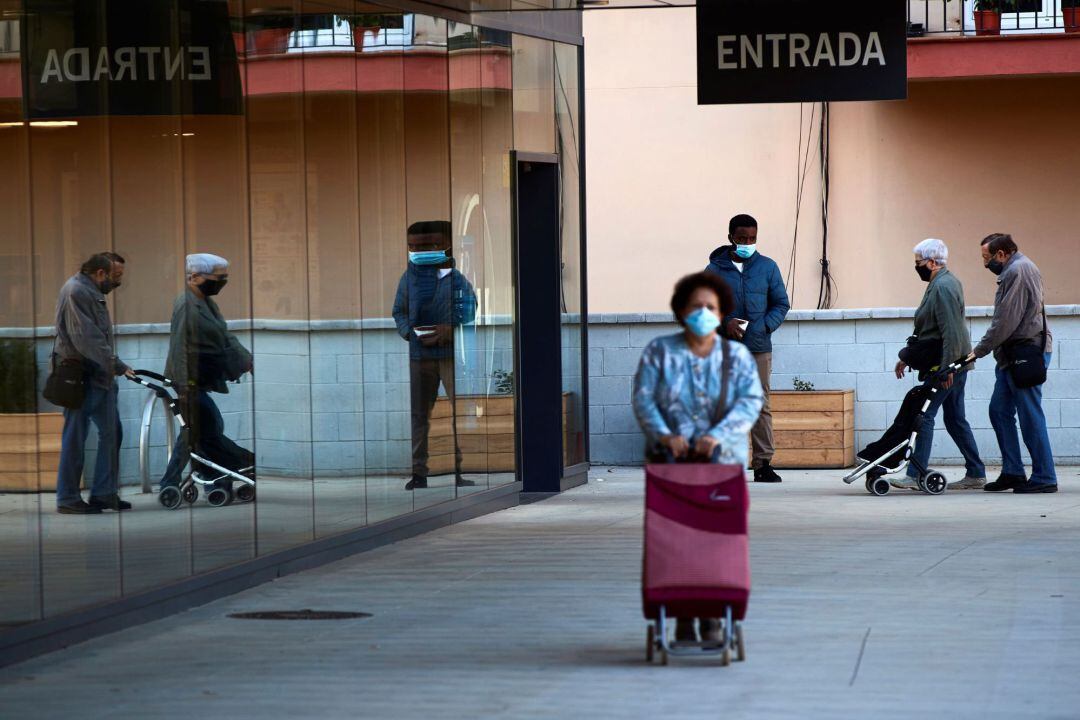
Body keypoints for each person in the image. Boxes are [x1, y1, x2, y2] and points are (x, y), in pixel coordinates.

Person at [633, 271, 764, 643]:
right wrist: (665, 435)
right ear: (680, 311)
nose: (703, 313)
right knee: (673, 541)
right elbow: (644, 398)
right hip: (671, 469)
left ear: (722, 314)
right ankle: (681, 614)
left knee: (718, 543)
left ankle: (713, 613)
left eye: (711, 307)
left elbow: (750, 401)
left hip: (722, 469)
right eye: (695, 307)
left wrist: (716, 436)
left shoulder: (736, 356)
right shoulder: (659, 352)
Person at [892, 239, 986, 490]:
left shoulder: (943, 286)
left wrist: (947, 368)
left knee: (924, 416)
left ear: (932, 262)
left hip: (947, 365)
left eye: (919, 262)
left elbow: (951, 330)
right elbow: (930, 328)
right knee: (955, 419)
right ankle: (976, 473)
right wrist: (909, 356)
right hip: (952, 363)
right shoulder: (941, 282)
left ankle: (915, 474)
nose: (917, 267)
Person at [392, 221, 478, 491]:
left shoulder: (455, 277)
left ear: (445, 245)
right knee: (420, 416)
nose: (420, 251)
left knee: (457, 413)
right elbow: (398, 312)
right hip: (420, 356)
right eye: (414, 247)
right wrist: (410, 333)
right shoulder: (408, 278)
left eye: (428, 245)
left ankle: (460, 470)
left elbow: (470, 307)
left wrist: (448, 328)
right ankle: (419, 473)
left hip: (449, 356)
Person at [159, 253, 254, 495]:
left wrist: (246, 359)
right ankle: (202, 479)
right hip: (189, 381)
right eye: (218, 278)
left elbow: (224, 335)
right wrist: (184, 384)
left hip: (201, 379)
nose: (222, 282)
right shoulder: (186, 305)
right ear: (195, 277)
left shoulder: (207, 303)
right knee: (201, 430)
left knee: (198, 431)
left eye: (224, 277)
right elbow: (179, 346)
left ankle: (204, 477)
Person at [968, 234, 1056, 493]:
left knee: (1030, 416)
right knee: (999, 410)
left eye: (987, 258)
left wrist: (979, 350)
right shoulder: (1016, 269)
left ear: (1002, 254)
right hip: (1012, 355)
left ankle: (1045, 477)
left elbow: (1005, 320)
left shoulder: (1017, 271)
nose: (985, 264)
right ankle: (1013, 472)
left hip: (1026, 353)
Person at [705, 214, 790, 483]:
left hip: (758, 347)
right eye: (742, 238)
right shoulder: (714, 271)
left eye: (752, 238)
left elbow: (781, 304)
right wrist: (725, 323)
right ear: (731, 237)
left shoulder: (767, 267)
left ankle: (763, 464)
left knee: (760, 405)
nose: (747, 243)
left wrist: (764, 326)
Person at [52, 252, 133, 514]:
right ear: (100, 273)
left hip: (99, 376)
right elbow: (87, 339)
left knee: (112, 431)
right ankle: (67, 498)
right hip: (80, 377)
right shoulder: (76, 291)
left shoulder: (91, 291)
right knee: (75, 436)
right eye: (116, 276)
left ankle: (103, 493)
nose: (118, 281)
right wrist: (117, 365)